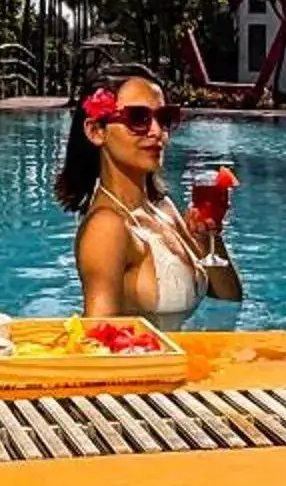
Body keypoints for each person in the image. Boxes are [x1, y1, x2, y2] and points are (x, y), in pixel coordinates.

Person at [55, 69, 242, 322]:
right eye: (138, 118)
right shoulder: (107, 228)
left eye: (165, 118)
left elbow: (229, 299)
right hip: (156, 362)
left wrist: (210, 239)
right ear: (96, 131)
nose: (157, 132)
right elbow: (97, 340)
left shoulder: (164, 208)